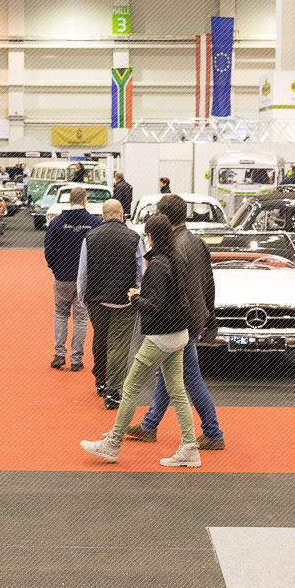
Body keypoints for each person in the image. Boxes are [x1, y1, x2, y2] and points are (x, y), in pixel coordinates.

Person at [80, 213, 202, 468]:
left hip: (160, 336)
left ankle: (113, 443)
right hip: (178, 333)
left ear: (150, 236)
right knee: (177, 391)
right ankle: (190, 447)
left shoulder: (158, 264)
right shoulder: (176, 258)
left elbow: (155, 306)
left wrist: (135, 298)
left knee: (131, 387)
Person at [125, 194, 227, 452]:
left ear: (163, 218)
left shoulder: (172, 249)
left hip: (180, 321)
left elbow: (170, 293)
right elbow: (209, 282)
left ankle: (213, 433)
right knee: (167, 373)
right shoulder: (198, 242)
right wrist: (210, 318)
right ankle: (149, 425)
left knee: (189, 377)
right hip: (195, 317)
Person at [77, 199, 144, 408]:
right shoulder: (134, 238)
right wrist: (138, 295)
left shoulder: (90, 237)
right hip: (124, 301)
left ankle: (100, 380)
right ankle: (113, 391)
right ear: (122, 214)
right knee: (119, 345)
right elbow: (140, 271)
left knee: (100, 339)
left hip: (97, 300)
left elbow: (83, 272)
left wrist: (83, 297)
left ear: (103, 215)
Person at [44, 184, 103, 370]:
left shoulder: (57, 222)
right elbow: (98, 251)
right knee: (81, 318)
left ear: (70, 201)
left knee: (61, 313)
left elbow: (49, 249)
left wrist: (56, 267)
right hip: (84, 278)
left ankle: (59, 354)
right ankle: (76, 359)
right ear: (85, 201)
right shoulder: (94, 222)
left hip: (63, 275)